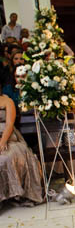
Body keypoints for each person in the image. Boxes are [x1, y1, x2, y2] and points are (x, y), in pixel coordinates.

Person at [0, 67, 44, 207]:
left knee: (6, 158)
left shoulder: (7, 102)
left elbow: (9, 124)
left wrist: (2, 142)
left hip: (9, 138)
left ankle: (13, 193)